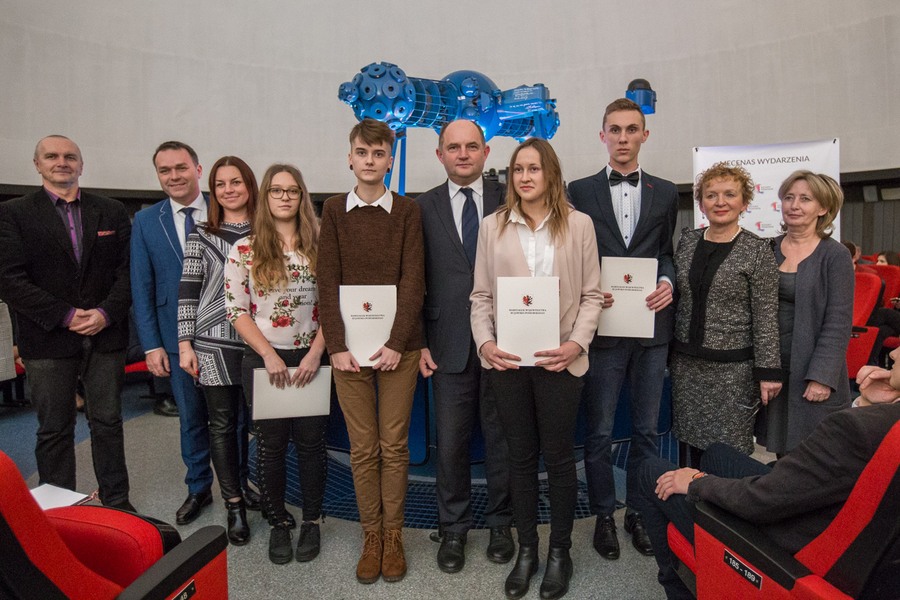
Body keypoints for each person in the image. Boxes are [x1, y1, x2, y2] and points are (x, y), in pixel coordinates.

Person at [633, 345, 900, 600]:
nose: (895, 352)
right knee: (717, 454)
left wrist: (698, 483)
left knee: (650, 472)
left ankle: (683, 588)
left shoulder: (856, 430)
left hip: (780, 549)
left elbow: (763, 499)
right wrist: (865, 404)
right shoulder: (884, 423)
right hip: (829, 525)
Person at [471, 138, 603, 600]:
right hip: (508, 363)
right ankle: (528, 549)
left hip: (559, 362)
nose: (525, 177)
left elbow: (591, 294)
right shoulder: (493, 227)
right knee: (519, 459)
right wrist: (486, 343)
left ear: (551, 173)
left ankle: (559, 552)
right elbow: (481, 296)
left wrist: (575, 344)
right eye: (518, 169)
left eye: (534, 168)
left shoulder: (580, 224)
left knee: (560, 458)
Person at [567, 98, 678, 560]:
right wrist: (591, 287)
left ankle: (639, 512)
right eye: (615, 130)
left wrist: (669, 281)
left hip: (652, 329)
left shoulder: (667, 191)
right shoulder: (579, 189)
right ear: (602, 135)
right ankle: (603, 518)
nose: (623, 138)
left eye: (632, 130)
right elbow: (572, 254)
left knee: (648, 431)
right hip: (605, 329)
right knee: (598, 431)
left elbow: (667, 251)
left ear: (645, 135)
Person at [0, 135, 134, 510]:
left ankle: (118, 502)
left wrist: (105, 313)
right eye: (52, 156)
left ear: (81, 164)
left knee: (108, 423)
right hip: (47, 339)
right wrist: (67, 315)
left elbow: (127, 272)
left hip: (105, 335)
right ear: (37, 164)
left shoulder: (110, 210)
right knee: (54, 429)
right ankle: (61, 511)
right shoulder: (14, 214)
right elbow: (9, 279)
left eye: (70, 156)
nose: (62, 162)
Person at [317, 119, 425, 584]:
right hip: (347, 354)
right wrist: (337, 346)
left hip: (398, 349)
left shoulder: (407, 211)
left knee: (393, 446)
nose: (369, 161)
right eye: (362, 152)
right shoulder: (333, 211)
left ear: (390, 160)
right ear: (350, 157)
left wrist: (397, 344)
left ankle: (395, 535)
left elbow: (413, 281)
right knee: (363, 449)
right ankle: (372, 535)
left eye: (379, 154)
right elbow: (326, 281)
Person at [417, 119, 513, 574]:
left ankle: (500, 523)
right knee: (451, 444)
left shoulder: (511, 199)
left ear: (486, 152)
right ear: (439, 154)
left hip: (506, 340)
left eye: (471, 146)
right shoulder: (422, 207)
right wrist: (417, 340)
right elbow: (412, 280)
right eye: (452, 147)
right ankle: (453, 529)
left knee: (502, 439)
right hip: (447, 343)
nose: (462, 154)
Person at [225, 163, 329, 565]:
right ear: (265, 197)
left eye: (293, 191)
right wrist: (268, 355)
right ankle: (278, 523)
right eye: (277, 191)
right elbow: (236, 309)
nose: (285, 197)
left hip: (312, 357)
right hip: (263, 359)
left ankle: (313, 521)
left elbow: (332, 306)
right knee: (270, 447)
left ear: (303, 197)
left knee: (311, 445)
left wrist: (316, 354)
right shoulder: (245, 248)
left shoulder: (321, 244)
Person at [670, 163, 782, 463]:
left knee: (727, 452)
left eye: (730, 194)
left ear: (744, 202)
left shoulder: (758, 250)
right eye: (711, 195)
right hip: (686, 365)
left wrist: (768, 372)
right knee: (688, 445)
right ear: (701, 203)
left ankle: (721, 508)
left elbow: (766, 316)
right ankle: (688, 508)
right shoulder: (688, 241)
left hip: (733, 371)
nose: (720, 202)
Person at [132, 141, 216, 524]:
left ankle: (240, 483)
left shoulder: (225, 205)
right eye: (165, 170)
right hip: (172, 334)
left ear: (198, 170)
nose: (174, 176)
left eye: (181, 167)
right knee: (191, 416)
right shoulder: (147, 221)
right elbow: (142, 286)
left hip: (229, 332)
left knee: (235, 415)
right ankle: (199, 487)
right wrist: (152, 344)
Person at [177, 156, 258, 545]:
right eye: (221, 183)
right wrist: (184, 343)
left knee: (260, 425)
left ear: (249, 185)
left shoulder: (270, 231)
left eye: (236, 181)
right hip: (212, 343)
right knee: (223, 425)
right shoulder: (201, 235)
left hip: (262, 343)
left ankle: (254, 488)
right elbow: (188, 292)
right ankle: (234, 504)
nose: (229, 189)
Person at [758, 171, 854, 455]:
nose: (794, 205)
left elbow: (838, 321)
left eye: (805, 199)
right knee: (780, 451)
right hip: (774, 367)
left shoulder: (835, 255)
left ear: (823, 208)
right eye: (789, 197)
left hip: (812, 367)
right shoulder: (765, 249)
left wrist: (822, 376)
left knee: (814, 454)